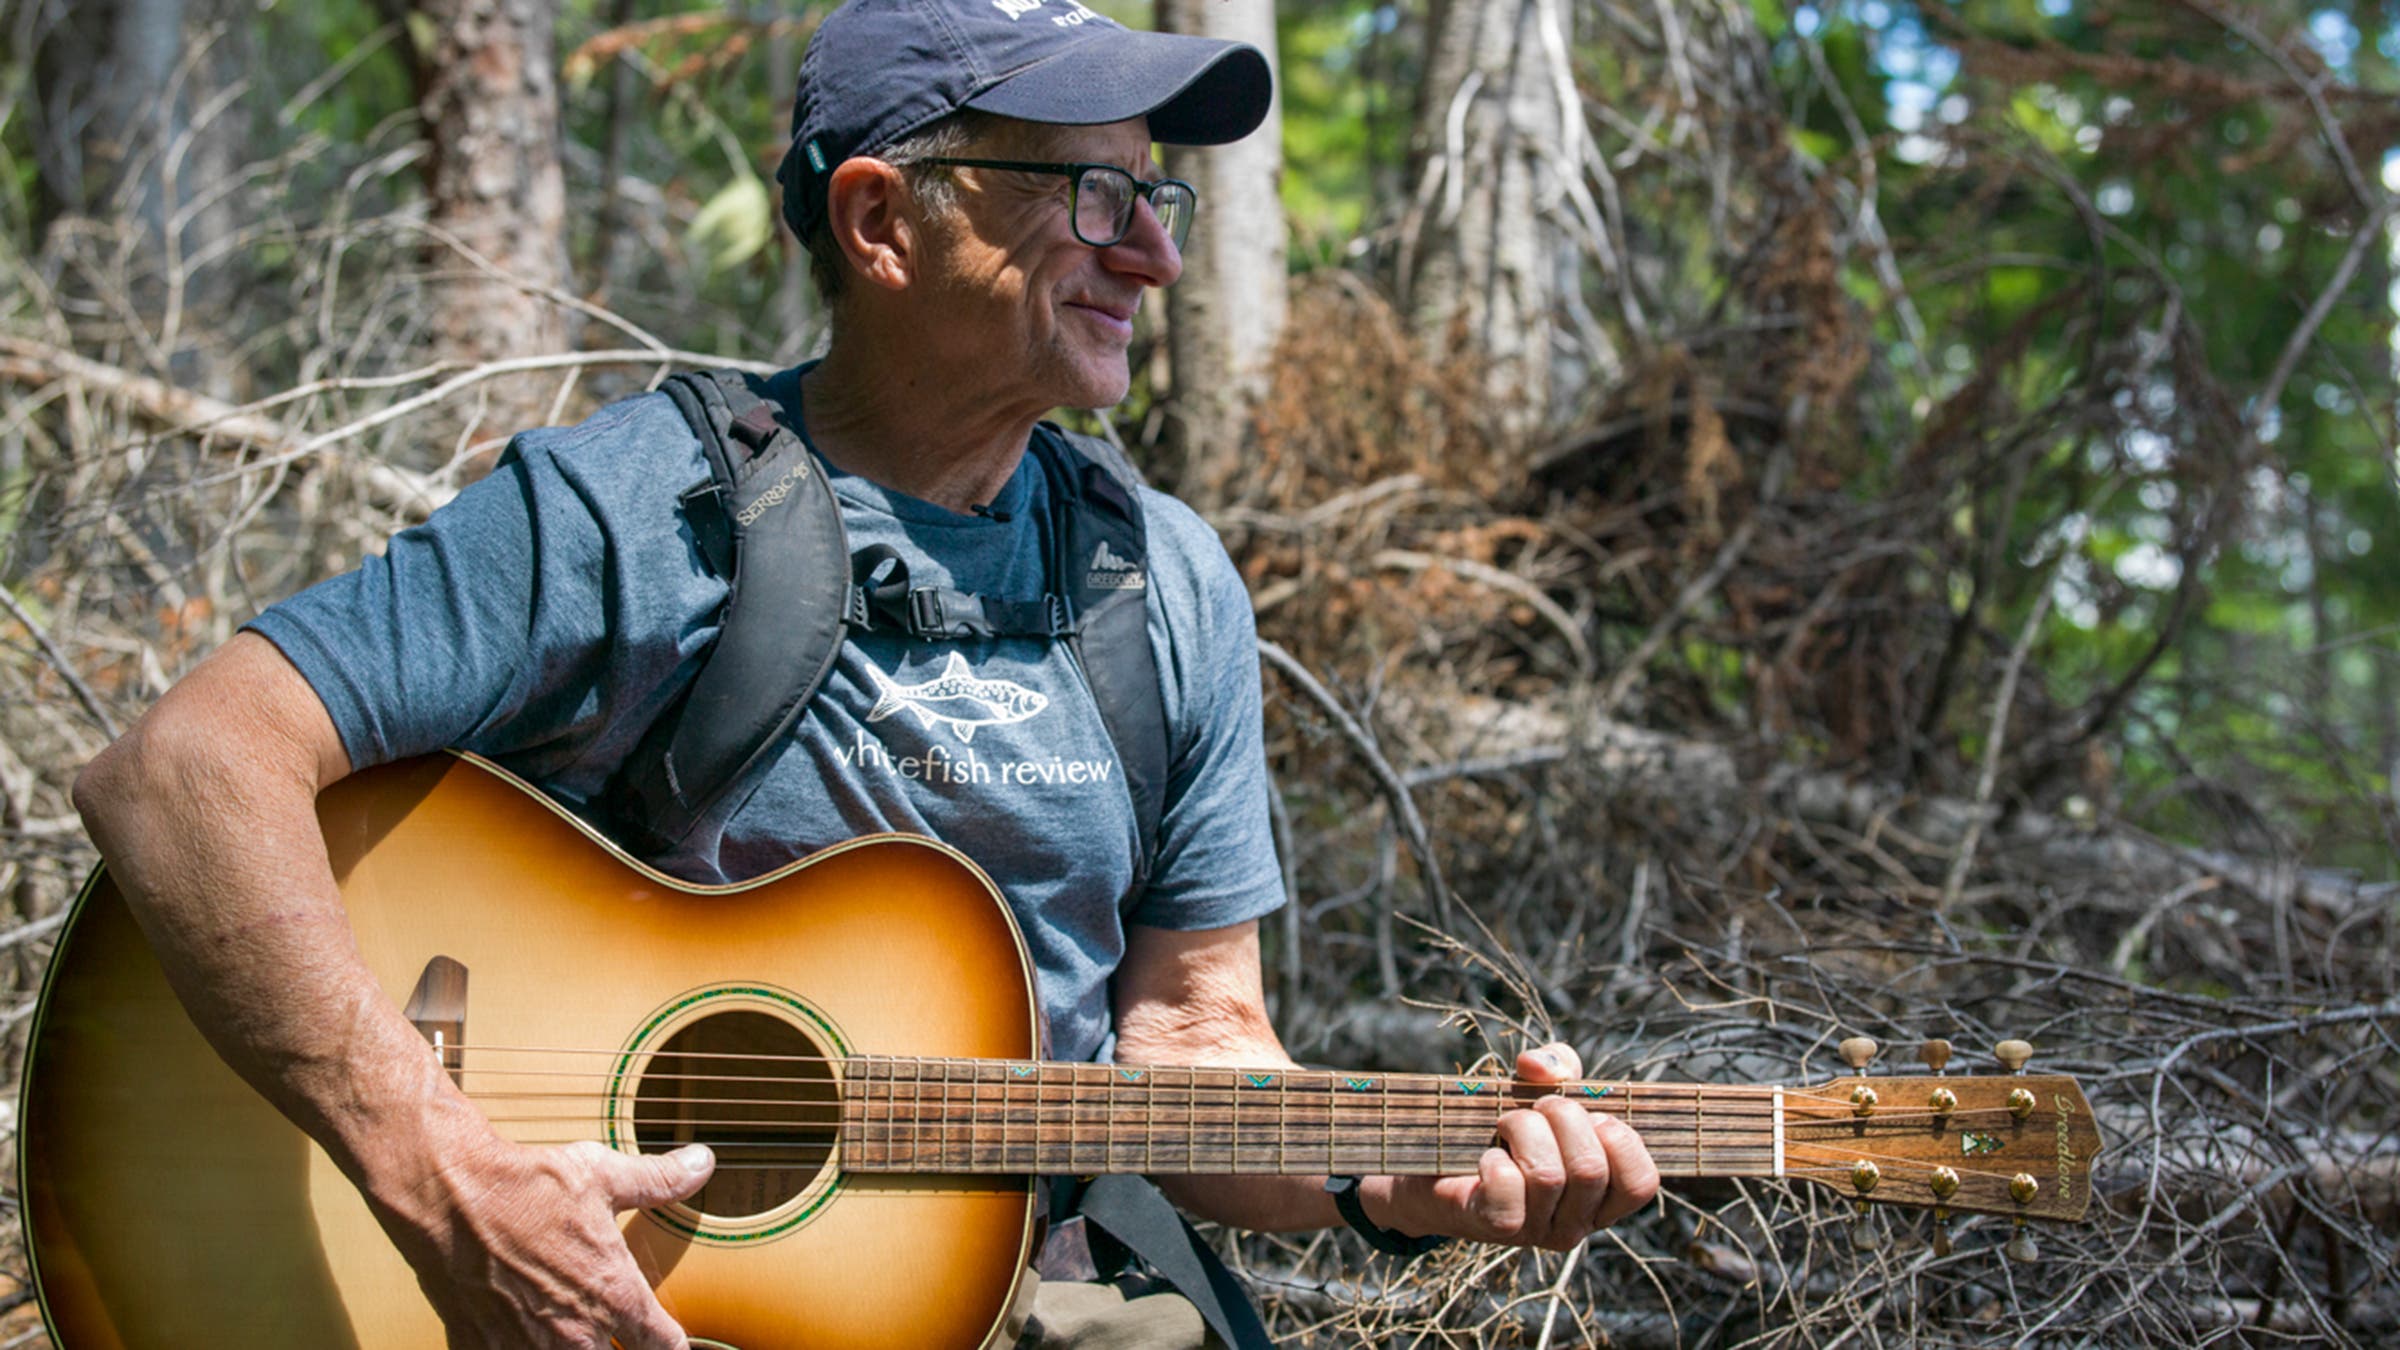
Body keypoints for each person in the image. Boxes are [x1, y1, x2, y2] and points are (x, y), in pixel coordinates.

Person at [69, 2, 1659, 1346]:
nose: (1160, 255)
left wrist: (1394, 1180)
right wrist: (441, 1174)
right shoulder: (642, 510)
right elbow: (184, 770)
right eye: (1096, 199)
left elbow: (1188, 1044)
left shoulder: (1161, 577)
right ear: (887, 222)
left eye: (1157, 197)